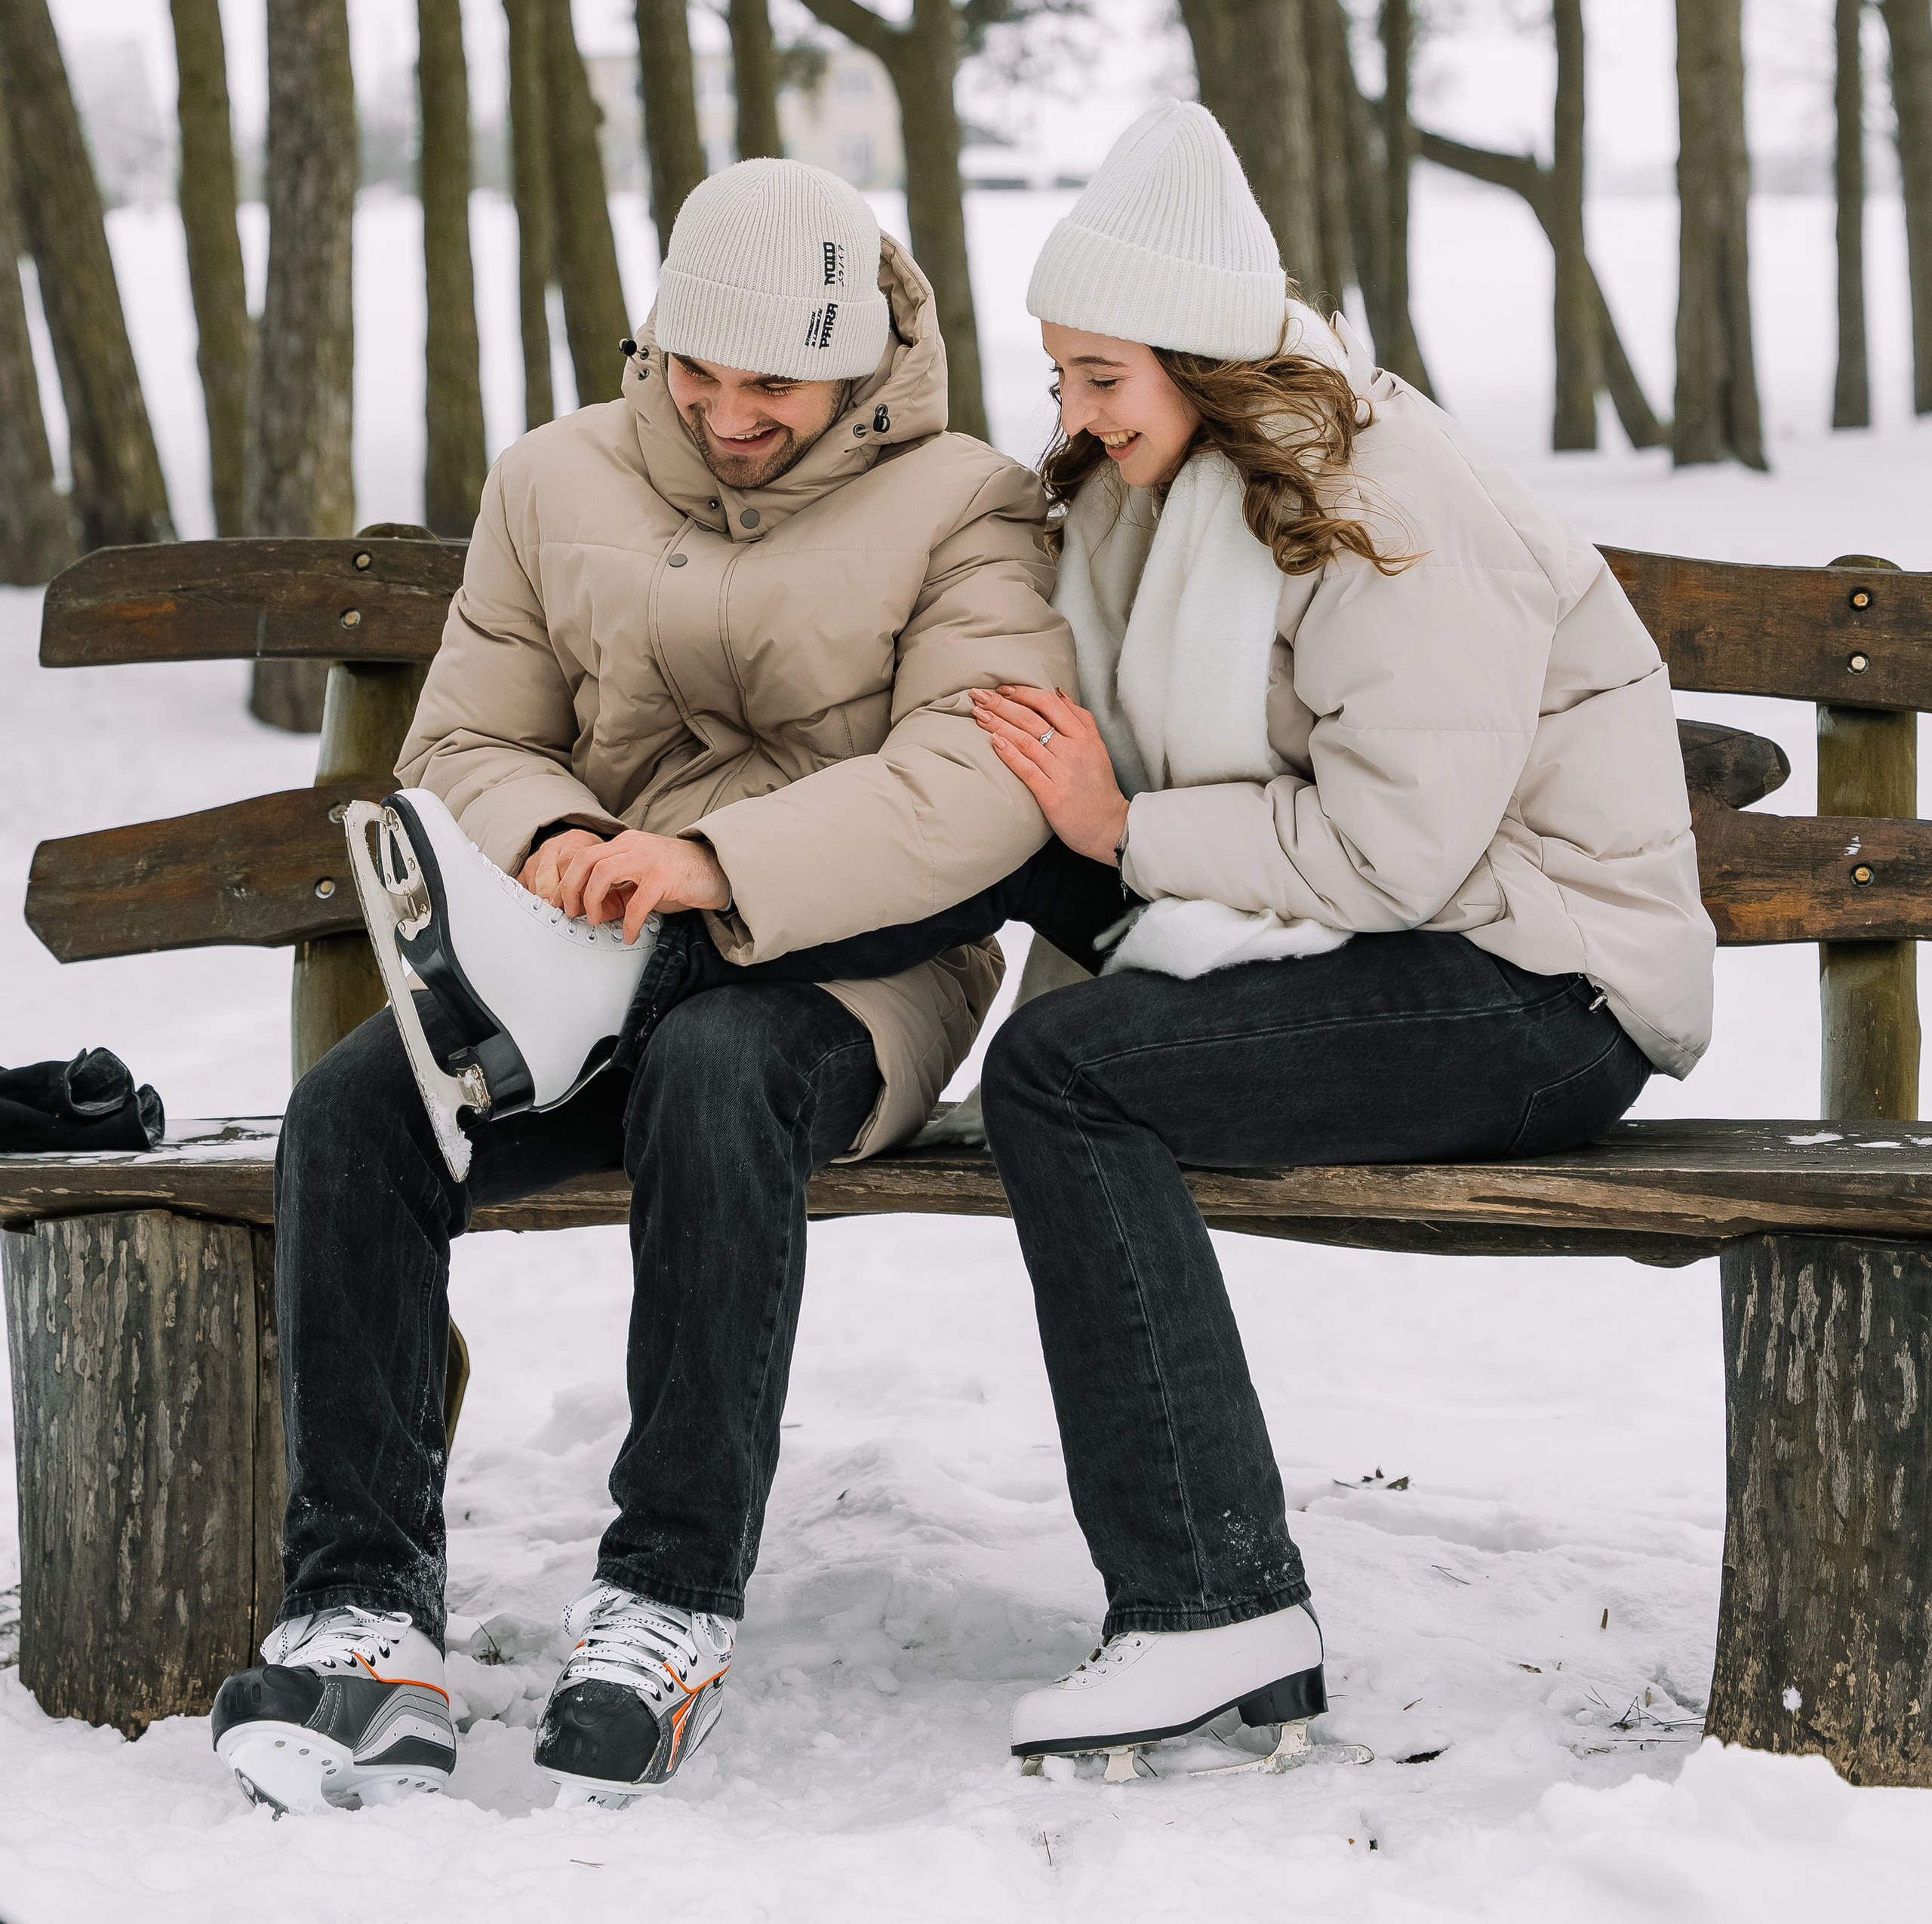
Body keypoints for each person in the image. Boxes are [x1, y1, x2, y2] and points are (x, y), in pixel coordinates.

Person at [211, 158, 1077, 1815]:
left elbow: (977, 776)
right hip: (578, 958)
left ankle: (667, 1595)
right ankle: (363, 1609)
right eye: (697, 370)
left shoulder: (969, 502)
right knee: (353, 1117)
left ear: (858, 358)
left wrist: (716, 869)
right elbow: (465, 736)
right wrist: (552, 841)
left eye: (772, 383)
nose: (727, 412)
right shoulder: (555, 478)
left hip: (851, 964)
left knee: (714, 1076)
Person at [965, 100, 1715, 1772]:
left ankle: (1208, 1602)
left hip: (1541, 990)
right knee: (995, 868)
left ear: (1208, 362)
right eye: (1060, 377)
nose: (1072, 418)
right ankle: (692, 1044)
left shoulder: (1388, 503)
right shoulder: (1169, 495)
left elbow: (1391, 847)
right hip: (1400, 950)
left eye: (1103, 378)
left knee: (1065, 1076)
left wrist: (1122, 832)